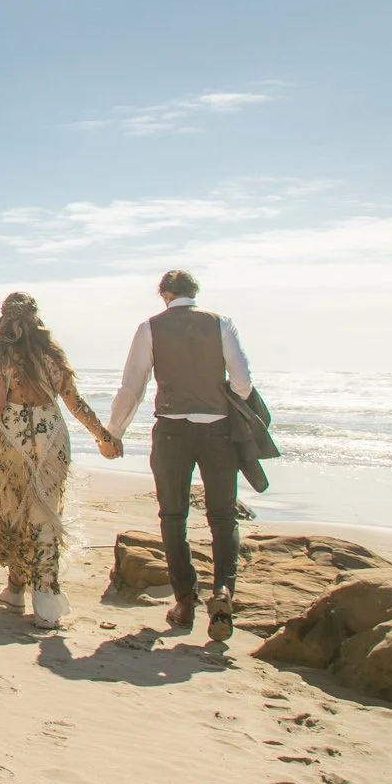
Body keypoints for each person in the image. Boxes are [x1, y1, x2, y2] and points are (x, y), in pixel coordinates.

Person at [105, 270, 255, 641]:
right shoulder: (221, 323)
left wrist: (114, 432)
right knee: (223, 515)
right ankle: (222, 592)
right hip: (219, 431)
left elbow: (132, 388)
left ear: (165, 295)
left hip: (172, 431)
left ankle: (185, 600)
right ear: (194, 293)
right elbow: (242, 382)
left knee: (173, 515)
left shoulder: (150, 328)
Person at [0, 292, 120, 627]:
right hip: (52, 439)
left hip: (11, 442)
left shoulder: (0, 356)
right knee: (46, 509)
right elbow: (75, 403)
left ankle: (24, 593)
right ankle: (37, 594)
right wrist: (102, 435)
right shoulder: (50, 355)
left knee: (15, 510)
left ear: (3, 318)